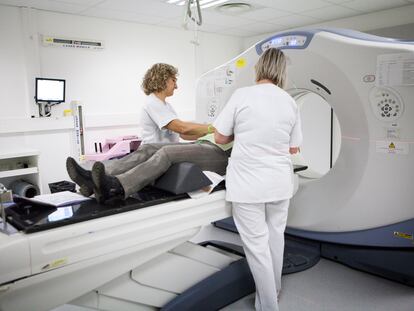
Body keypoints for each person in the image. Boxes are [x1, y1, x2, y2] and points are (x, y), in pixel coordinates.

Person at [213, 48, 302, 311]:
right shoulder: (289, 101)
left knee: (257, 247)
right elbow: (293, 147)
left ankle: (269, 306)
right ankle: (273, 290)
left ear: (258, 68)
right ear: (283, 71)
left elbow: (219, 137)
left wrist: (242, 136)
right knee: (276, 238)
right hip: (279, 183)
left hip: (249, 184)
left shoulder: (243, 95)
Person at [66, 133, 232, 203]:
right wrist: (207, 128)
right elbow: (186, 133)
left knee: (167, 152)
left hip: (221, 153)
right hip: (203, 143)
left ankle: (116, 187)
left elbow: (222, 136)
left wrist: (212, 128)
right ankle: (93, 181)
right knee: (149, 147)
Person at [140, 63, 214, 143]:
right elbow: (182, 128)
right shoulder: (152, 102)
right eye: (173, 80)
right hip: (155, 152)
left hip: (164, 151)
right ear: (162, 80)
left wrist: (208, 133)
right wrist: (213, 128)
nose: (176, 86)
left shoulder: (166, 106)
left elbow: (183, 135)